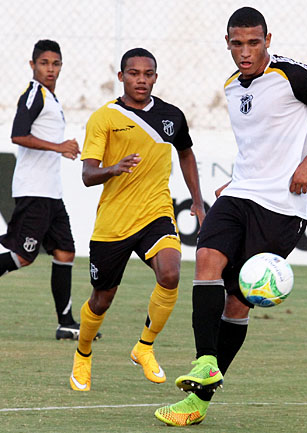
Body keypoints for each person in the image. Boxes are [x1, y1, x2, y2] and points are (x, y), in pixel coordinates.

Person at [155, 7, 307, 426]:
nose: (245, 52)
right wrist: (234, 180)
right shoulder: (232, 87)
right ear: (227, 43)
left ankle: (198, 403)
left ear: (268, 39)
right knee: (207, 260)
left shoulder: (292, 75)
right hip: (240, 194)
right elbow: (258, 146)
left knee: (237, 300)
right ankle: (205, 361)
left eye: (253, 42)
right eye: (237, 44)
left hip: (282, 207)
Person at [69, 48, 206, 392]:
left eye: (147, 74)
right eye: (133, 73)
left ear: (155, 78)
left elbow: (186, 154)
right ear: (121, 77)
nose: (141, 80)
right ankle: (83, 355)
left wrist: (199, 202)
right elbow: (87, 174)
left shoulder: (171, 116)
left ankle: (144, 347)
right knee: (102, 299)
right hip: (113, 223)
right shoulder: (105, 117)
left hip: (155, 214)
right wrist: (113, 169)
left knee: (171, 273)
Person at [0, 39, 101, 341]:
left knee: (66, 251)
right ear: (32, 66)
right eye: (44, 63)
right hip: (34, 191)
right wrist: (59, 147)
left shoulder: (50, 98)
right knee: (23, 256)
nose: (50, 69)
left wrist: (61, 149)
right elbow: (18, 134)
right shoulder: (33, 95)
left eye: (55, 64)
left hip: (51, 193)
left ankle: (66, 323)